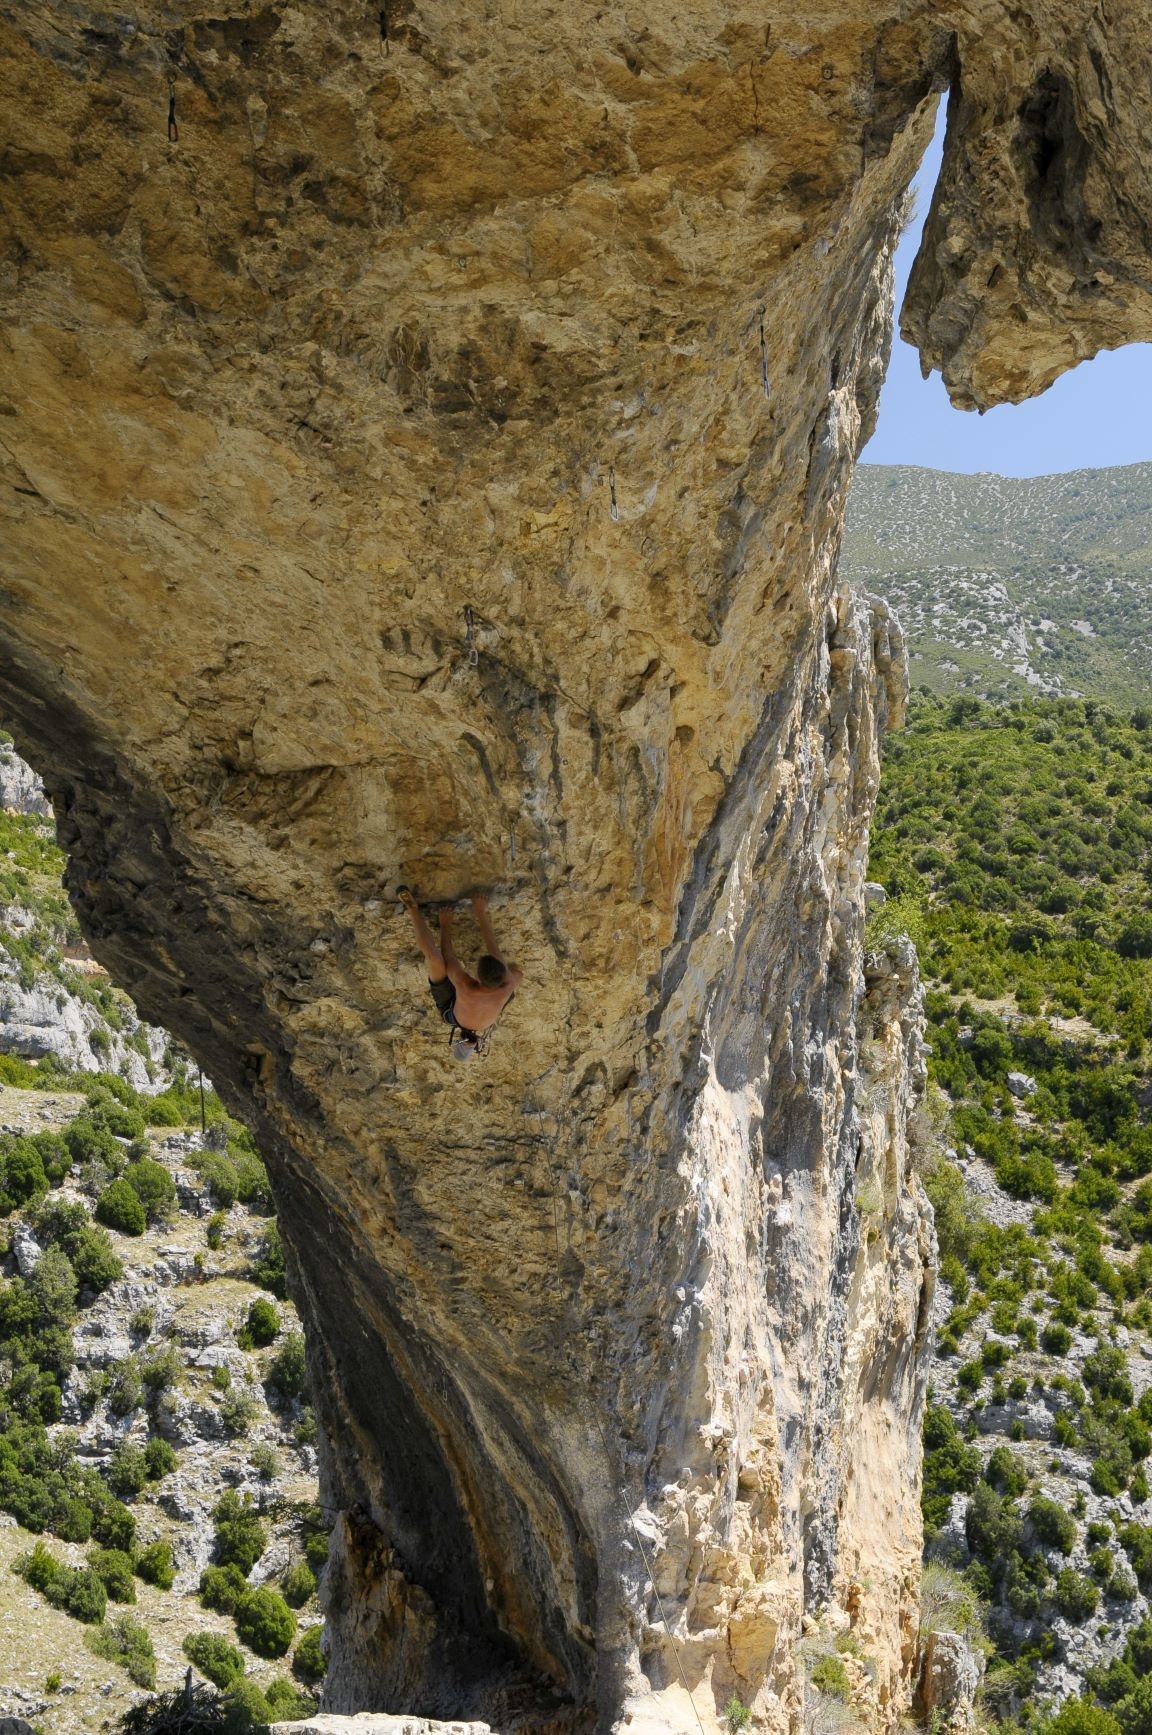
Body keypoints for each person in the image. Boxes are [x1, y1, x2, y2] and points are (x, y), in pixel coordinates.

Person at [398, 887, 522, 1061]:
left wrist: (445, 924)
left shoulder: (466, 986)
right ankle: (467, 1046)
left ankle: (412, 909)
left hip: (453, 1011)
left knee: (435, 959)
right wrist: (480, 911)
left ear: (476, 978)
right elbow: (495, 948)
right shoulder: (509, 982)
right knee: (512, 973)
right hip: (481, 1013)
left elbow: (449, 957)